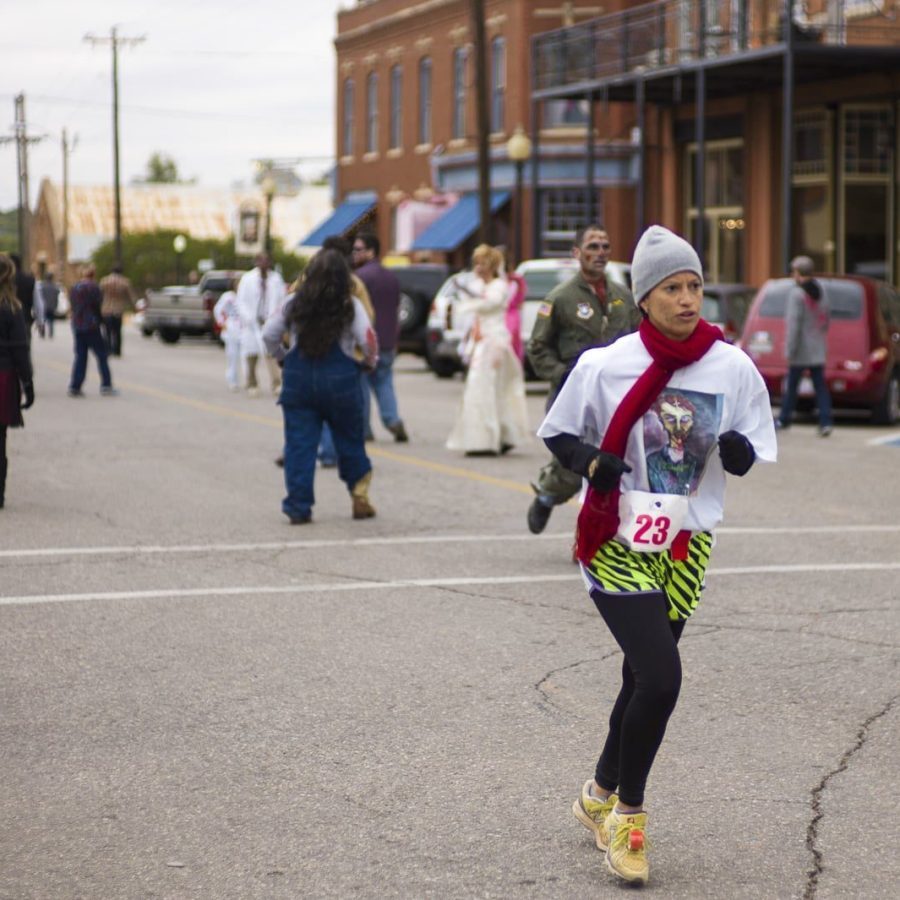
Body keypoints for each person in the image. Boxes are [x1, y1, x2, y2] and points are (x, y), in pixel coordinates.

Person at [537, 225, 776, 885]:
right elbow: (558, 432)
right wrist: (594, 462)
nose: (687, 298)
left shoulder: (729, 365)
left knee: (640, 677)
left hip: (684, 542)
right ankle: (628, 817)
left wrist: (740, 455)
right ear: (644, 298)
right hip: (617, 542)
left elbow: (754, 440)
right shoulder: (605, 365)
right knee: (662, 679)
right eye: (672, 287)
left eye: (694, 285)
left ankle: (597, 793)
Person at [526, 224, 637, 534]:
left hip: (615, 396)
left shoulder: (622, 297)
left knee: (611, 465)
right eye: (592, 247)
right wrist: (563, 375)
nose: (600, 253)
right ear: (577, 253)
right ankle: (547, 496)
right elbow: (537, 347)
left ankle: (592, 536)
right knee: (573, 467)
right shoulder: (560, 298)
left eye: (604, 246)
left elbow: (640, 337)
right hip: (571, 394)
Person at [262, 248, 378, 525]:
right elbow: (368, 339)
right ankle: (359, 496)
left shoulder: (293, 303)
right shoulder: (351, 305)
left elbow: (269, 334)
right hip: (341, 381)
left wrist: (281, 357)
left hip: (299, 380)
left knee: (300, 445)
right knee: (350, 439)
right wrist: (369, 362)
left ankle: (299, 506)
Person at [446, 244, 528, 455]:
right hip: (482, 342)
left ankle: (486, 440)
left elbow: (489, 304)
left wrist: (467, 303)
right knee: (482, 389)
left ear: (492, 265)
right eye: (477, 263)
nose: (479, 267)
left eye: (483, 263)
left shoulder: (499, 286)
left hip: (495, 343)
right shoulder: (478, 285)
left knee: (488, 388)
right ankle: (495, 436)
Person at [352, 232, 408, 442]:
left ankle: (365, 429)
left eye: (358, 249)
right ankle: (392, 420)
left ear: (371, 251)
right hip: (388, 340)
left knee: (362, 384)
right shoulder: (391, 277)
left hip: (367, 342)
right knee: (384, 382)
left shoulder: (360, 279)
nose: (354, 254)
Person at [776, 255, 833, 436]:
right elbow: (826, 317)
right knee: (820, 386)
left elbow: (794, 324)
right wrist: (820, 335)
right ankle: (825, 422)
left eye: (794, 272)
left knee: (792, 385)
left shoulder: (797, 294)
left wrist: (789, 349)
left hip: (801, 347)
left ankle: (784, 418)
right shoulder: (821, 290)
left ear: (799, 273)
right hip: (817, 345)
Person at [0, 254, 35, 509]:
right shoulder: (12, 308)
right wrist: (28, 382)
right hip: (4, 375)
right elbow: (20, 349)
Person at [237, 253, 286, 397]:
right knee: (251, 353)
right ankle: (252, 383)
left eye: (267, 261)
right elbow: (241, 301)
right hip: (252, 322)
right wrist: (248, 318)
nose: (264, 264)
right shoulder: (247, 279)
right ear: (256, 262)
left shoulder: (276, 279)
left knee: (271, 353)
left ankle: (276, 383)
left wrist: (277, 318)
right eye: (261, 261)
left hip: (270, 321)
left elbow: (282, 301)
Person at [68, 265, 116, 397]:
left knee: (80, 356)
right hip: (91, 325)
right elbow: (97, 306)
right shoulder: (94, 287)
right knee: (101, 355)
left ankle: (75, 385)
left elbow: (72, 305)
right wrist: (102, 322)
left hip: (78, 325)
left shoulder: (75, 287)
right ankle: (106, 384)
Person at [99, 265, 136, 357]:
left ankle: (108, 349)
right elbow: (131, 296)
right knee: (117, 331)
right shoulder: (125, 282)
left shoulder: (104, 281)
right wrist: (134, 306)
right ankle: (117, 350)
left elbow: (99, 295)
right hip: (118, 310)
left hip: (106, 309)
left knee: (107, 331)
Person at [213, 277, 243, 391]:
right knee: (233, 356)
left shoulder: (245, 296)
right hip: (231, 330)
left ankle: (249, 380)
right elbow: (218, 309)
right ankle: (232, 380)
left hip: (244, 331)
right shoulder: (228, 296)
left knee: (246, 356)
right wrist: (222, 323)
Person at [9, 254, 36, 343]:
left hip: (7, 321)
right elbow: (37, 302)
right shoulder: (30, 280)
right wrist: (40, 321)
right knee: (24, 346)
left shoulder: (5, 280)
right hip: (25, 319)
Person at [506, 268, 527, 363]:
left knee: (512, 341)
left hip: (511, 314)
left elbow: (520, 301)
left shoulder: (517, 280)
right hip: (504, 314)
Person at [36, 269, 60, 339]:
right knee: (51, 320)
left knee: (43, 319)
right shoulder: (54, 286)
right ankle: (51, 333)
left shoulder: (42, 286)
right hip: (52, 306)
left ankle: (42, 333)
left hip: (44, 306)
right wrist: (56, 305)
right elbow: (57, 296)